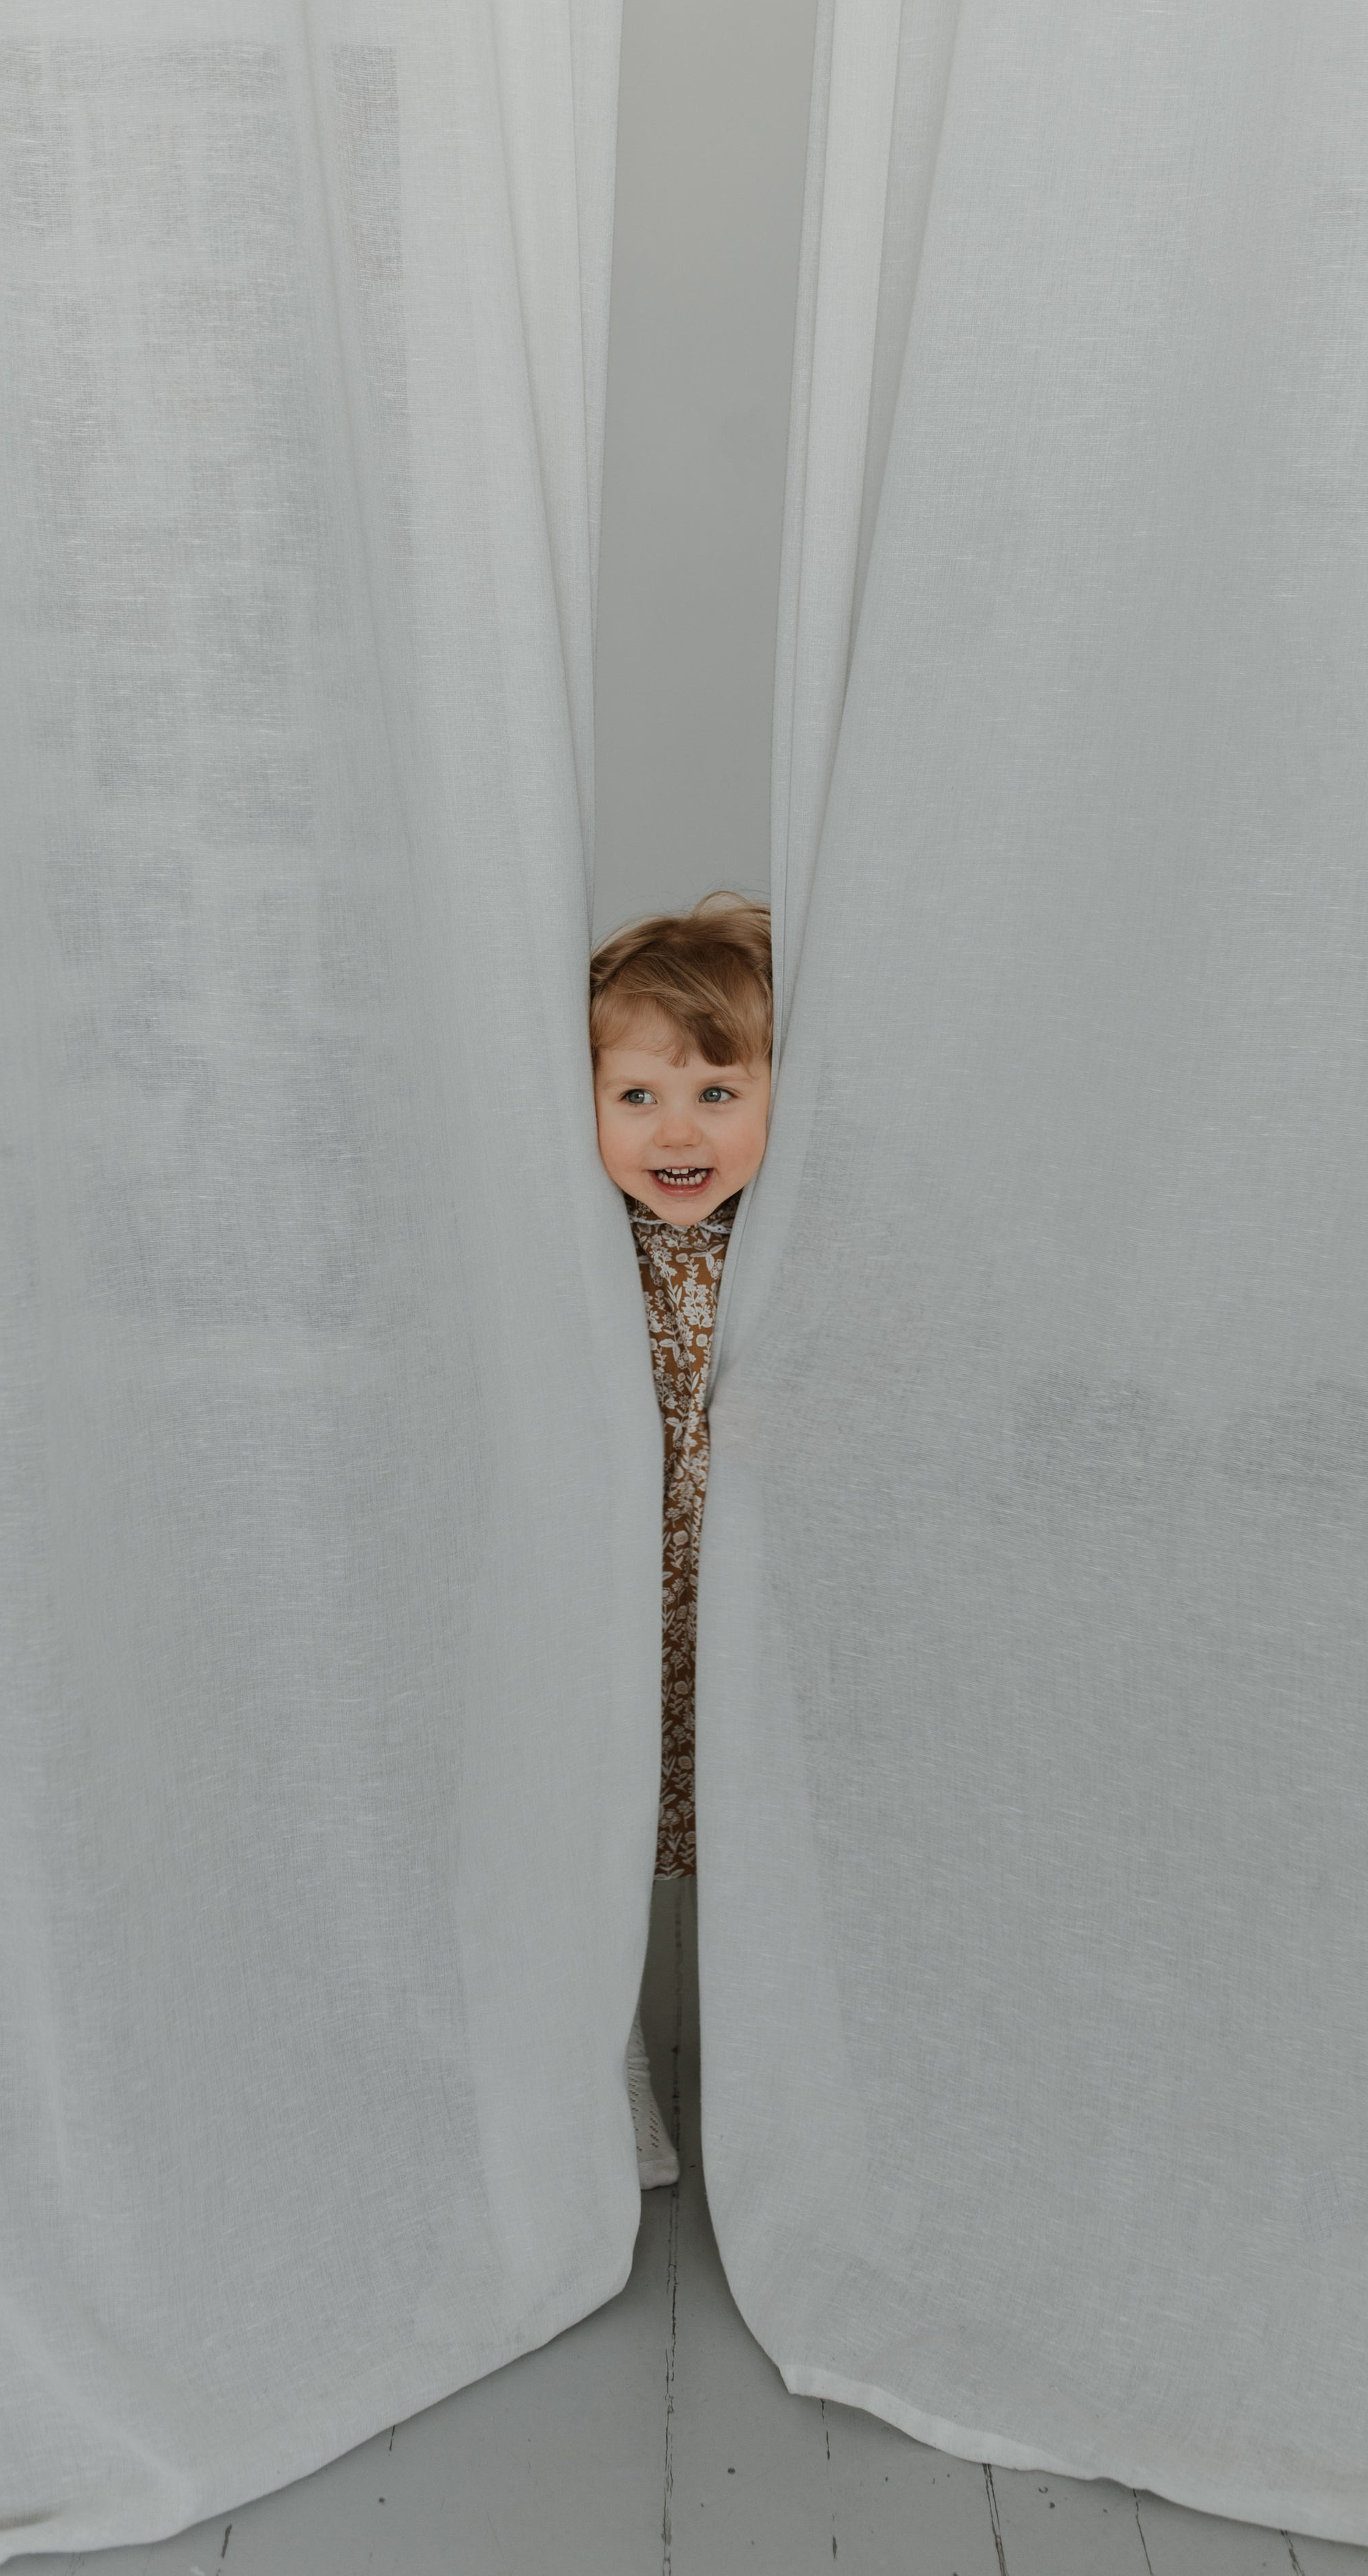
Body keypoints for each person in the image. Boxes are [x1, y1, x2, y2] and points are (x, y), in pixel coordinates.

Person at [589, 893, 773, 2186]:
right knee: (588, 1839)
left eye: (717, 1093)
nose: (677, 1133)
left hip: (739, 1601)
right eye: (641, 1095)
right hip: (617, 1597)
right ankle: (608, 2072)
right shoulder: (577, 1246)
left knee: (760, 1845)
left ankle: (779, 2083)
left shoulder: (792, 1243)